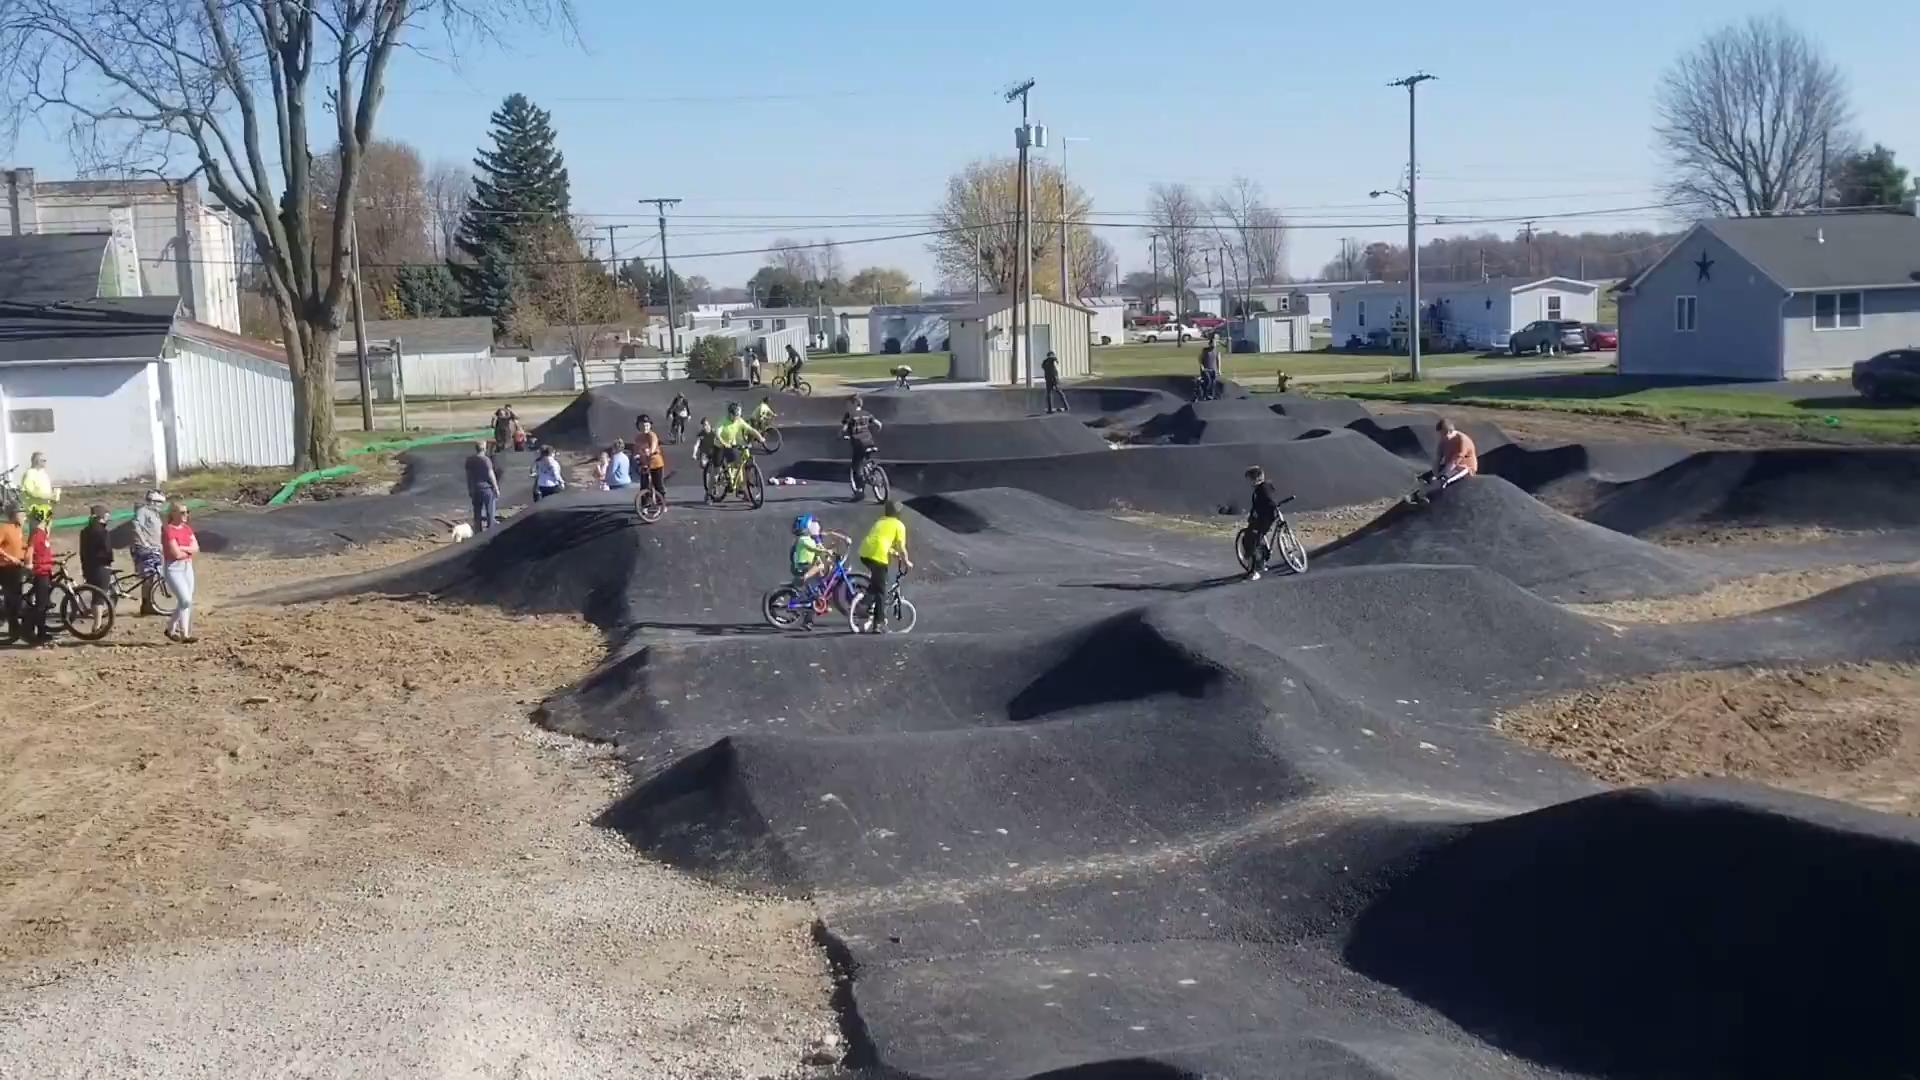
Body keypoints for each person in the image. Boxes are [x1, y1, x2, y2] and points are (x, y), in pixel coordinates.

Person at [855, 499, 912, 633]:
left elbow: (879, 539)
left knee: (877, 583)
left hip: (865, 553)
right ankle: (877, 622)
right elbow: (902, 548)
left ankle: (865, 603)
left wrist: (893, 553)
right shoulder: (899, 525)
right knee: (881, 592)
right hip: (878, 556)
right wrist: (906, 562)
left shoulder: (880, 521)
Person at [789, 514, 851, 630]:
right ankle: (808, 620)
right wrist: (827, 553)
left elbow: (829, 533)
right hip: (808, 567)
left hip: (811, 566)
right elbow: (819, 549)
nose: (818, 529)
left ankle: (820, 610)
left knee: (822, 588)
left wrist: (843, 538)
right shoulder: (809, 540)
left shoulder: (810, 538)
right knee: (815, 591)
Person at [161, 502, 199, 644]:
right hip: (174, 568)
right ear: (173, 513)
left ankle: (171, 627)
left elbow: (196, 548)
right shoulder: (168, 530)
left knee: (186, 601)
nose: (185, 515)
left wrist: (182, 548)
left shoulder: (187, 528)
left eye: (187, 512)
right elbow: (175, 554)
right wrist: (187, 550)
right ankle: (185, 634)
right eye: (182, 512)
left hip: (187, 566)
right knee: (185, 600)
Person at [1419, 417, 1479, 502]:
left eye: (1443, 435)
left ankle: (1432, 497)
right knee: (1429, 477)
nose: (1442, 437)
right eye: (1440, 435)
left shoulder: (1462, 441)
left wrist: (1441, 475)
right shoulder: (1443, 441)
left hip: (1465, 468)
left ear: (1450, 432)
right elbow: (1438, 458)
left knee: (1444, 479)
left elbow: (1455, 462)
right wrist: (1435, 473)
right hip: (1449, 466)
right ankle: (1420, 494)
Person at [710, 403, 764, 494]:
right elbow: (717, 434)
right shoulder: (723, 421)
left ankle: (739, 487)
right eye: (736, 415)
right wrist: (723, 442)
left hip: (730, 446)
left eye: (738, 415)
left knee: (738, 464)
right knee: (716, 471)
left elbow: (751, 430)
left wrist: (760, 438)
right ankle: (709, 492)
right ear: (730, 414)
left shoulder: (739, 421)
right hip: (719, 446)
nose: (737, 417)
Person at [1243, 466, 1281, 581]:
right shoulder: (1268, 486)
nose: (1248, 483)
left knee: (1250, 540)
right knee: (1257, 537)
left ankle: (1254, 571)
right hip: (1270, 516)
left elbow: (1266, 503)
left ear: (1255, 479)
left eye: (1249, 479)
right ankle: (1262, 560)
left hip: (1264, 519)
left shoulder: (1260, 490)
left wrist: (1254, 516)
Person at [131, 490, 167, 614]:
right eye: (159, 502)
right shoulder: (143, 511)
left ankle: (148, 604)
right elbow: (136, 525)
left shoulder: (155, 514)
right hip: (144, 549)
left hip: (155, 549)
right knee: (148, 577)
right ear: (152, 501)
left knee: (152, 577)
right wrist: (144, 542)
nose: (161, 505)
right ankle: (146, 605)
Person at [842, 395, 883, 498]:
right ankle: (873, 472)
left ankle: (860, 491)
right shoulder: (867, 414)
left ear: (855, 404)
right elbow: (879, 424)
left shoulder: (849, 415)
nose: (847, 407)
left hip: (858, 443)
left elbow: (843, 429)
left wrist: (840, 436)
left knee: (856, 466)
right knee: (867, 458)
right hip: (869, 441)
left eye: (849, 404)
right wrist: (875, 432)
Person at [25, 509, 55, 645]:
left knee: (43, 604)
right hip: (40, 572)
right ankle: (35, 633)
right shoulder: (37, 534)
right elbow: (29, 551)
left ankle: (41, 632)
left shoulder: (43, 533)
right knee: (41, 605)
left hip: (45, 571)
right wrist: (29, 565)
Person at [0, 504, 26, 642]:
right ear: (13, 514)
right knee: (12, 600)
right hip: (7, 568)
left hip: (17, 567)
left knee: (17, 598)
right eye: (21, 513)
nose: (24, 516)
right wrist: (10, 558)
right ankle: (13, 631)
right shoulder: (4, 528)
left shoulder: (18, 529)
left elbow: (21, 546)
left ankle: (16, 629)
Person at [80, 504, 115, 601]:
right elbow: (107, 551)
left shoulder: (85, 531)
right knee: (99, 600)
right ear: (101, 517)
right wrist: (109, 562)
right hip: (101, 567)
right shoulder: (103, 532)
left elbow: (82, 553)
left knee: (95, 596)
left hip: (88, 568)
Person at [20, 452, 59, 536]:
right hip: (36, 510)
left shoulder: (44, 474)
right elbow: (31, 492)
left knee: (46, 534)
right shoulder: (29, 474)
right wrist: (49, 496)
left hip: (46, 509)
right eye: (43, 460)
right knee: (37, 535)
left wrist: (54, 496)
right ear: (37, 461)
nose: (45, 462)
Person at [465, 441, 500, 531]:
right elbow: (491, 474)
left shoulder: (469, 460)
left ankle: (478, 531)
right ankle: (490, 530)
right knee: (490, 511)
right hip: (486, 488)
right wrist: (496, 488)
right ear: (484, 448)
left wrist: (470, 489)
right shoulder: (486, 460)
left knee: (477, 511)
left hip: (475, 488)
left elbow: (468, 476)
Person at [634, 415, 667, 505]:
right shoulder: (638, 437)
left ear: (650, 426)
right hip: (644, 463)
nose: (645, 427)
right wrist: (637, 457)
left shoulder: (652, 435)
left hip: (655, 463)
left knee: (658, 485)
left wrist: (650, 451)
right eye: (642, 425)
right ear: (638, 426)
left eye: (647, 425)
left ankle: (661, 504)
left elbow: (653, 446)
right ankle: (645, 505)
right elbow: (636, 450)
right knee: (644, 486)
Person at [1042, 349, 1068, 414]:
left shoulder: (1044, 362)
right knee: (1059, 391)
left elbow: (1043, 367)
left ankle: (1050, 409)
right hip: (1054, 379)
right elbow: (1054, 359)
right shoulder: (1051, 359)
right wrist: (1055, 360)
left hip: (1048, 379)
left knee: (1049, 393)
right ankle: (1066, 406)